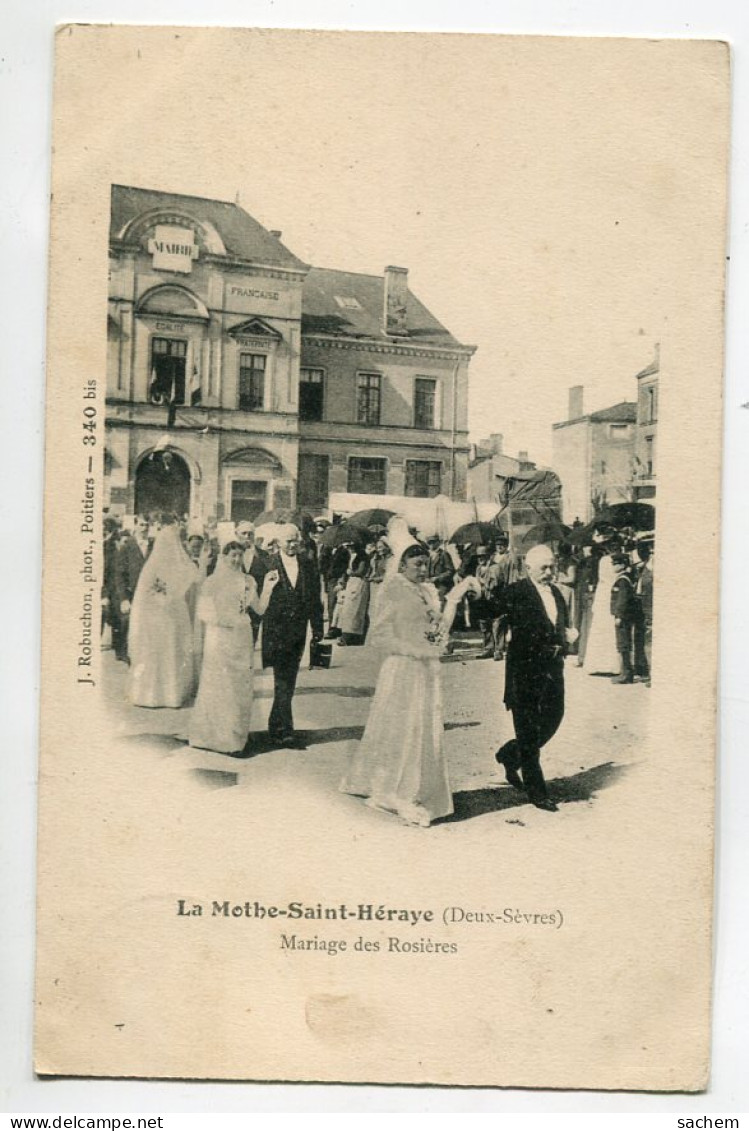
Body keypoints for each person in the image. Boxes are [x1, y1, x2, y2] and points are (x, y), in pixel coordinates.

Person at [340, 519, 477, 827]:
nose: (424, 570)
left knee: (422, 729)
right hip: (402, 668)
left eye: (426, 564)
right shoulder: (393, 589)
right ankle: (395, 791)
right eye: (417, 564)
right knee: (402, 729)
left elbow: (440, 628)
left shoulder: (427, 591)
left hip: (425, 669)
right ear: (402, 565)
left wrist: (456, 595)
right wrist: (413, 647)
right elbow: (379, 635)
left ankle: (414, 788)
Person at [491, 544, 577, 812]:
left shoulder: (556, 593)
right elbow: (492, 610)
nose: (550, 572)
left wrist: (566, 637)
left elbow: (558, 626)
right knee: (528, 733)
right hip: (524, 673)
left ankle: (510, 754)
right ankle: (537, 792)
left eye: (552, 567)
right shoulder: (516, 592)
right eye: (544, 568)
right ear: (528, 568)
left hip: (553, 671)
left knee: (554, 718)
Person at [189, 542, 279, 755]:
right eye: (232, 556)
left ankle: (234, 738)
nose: (236, 560)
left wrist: (268, 586)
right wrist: (226, 620)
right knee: (219, 686)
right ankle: (211, 737)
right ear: (224, 556)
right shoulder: (212, 582)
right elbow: (204, 612)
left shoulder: (248, 581)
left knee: (239, 688)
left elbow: (259, 608)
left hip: (242, 638)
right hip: (219, 639)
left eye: (240, 555)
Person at [261, 523, 324, 748]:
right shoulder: (269, 563)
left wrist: (318, 630)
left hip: (299, 631)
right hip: (276, 631)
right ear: (278, 542)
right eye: (288, 541)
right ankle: (284, 730)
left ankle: (276, 726)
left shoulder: (308, 564)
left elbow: (316, 598)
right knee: (283, 681)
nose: (292, 544)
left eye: (295, 540)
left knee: (289, 680)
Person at [128, 521, 197, 708]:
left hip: (174, 615)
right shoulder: (153, 566)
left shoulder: (181, 565)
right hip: (157, 616)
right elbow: (145, 592)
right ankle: (151, 695)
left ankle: (171, 694)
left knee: (172, 652)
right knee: (158, 653)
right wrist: (162, 601)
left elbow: (192, 577)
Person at [112, 514, 151, 662]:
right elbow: (119, 575)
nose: (144, 528)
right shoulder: (127, 546)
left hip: (149, 595)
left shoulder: (154, 546)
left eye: (147, 525)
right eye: (141, 525)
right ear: (135, 526)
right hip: (132, 594)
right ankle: (128, 656)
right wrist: (123, 599)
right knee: (129, 625)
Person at [582, 547, 620, 676]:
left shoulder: (603, 560)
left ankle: (597, 663)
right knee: (610, 630)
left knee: (600, 631)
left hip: (602, 594)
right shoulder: (610, 560)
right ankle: (612, 665)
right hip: (609, 594)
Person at [235, 520, 269, 642]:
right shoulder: (230, 554)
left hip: (255, 603)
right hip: (235, 604)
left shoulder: (263, 555)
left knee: (251, 640)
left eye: (250, 534)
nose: (247, 537)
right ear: (236, 534)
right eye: (244, 533)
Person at [610, 554, 638, 684]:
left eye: (616, 563)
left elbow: (622, 600)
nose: (613, 566)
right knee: (622, 644)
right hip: (624, 616)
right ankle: (625, 672)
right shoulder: (623, 578)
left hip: (623, 617)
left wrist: (619, 616)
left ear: (623, 564)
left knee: (623, 644)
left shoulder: (623, 580)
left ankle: (626, 673)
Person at [337, 553, 371, 646]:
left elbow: (361, 571)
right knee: (348, 612)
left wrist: (351, 572)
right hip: (352, 583)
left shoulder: (363, 557)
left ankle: (354, 637)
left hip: (359, 584)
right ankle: (346, 636)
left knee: (356, 612)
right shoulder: (352, 555)